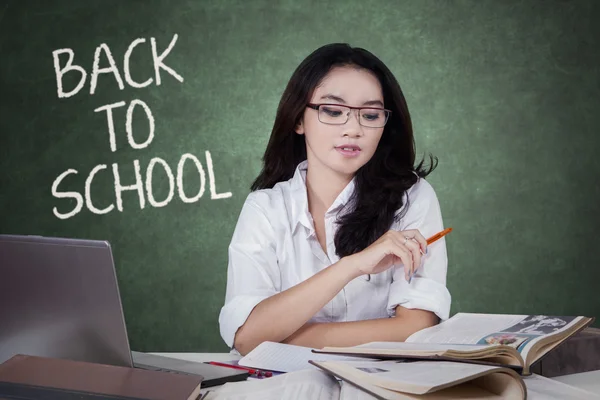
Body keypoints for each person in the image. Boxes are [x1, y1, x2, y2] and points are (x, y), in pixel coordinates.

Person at [218, 43, 451, 356]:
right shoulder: (265, 208)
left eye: (370, 115)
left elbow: (416, 329)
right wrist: (352, 266)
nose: (353, 129)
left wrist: (277, 338)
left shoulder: (413, 198)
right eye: (332, 111)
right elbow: (246, 336)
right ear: (298, 120)